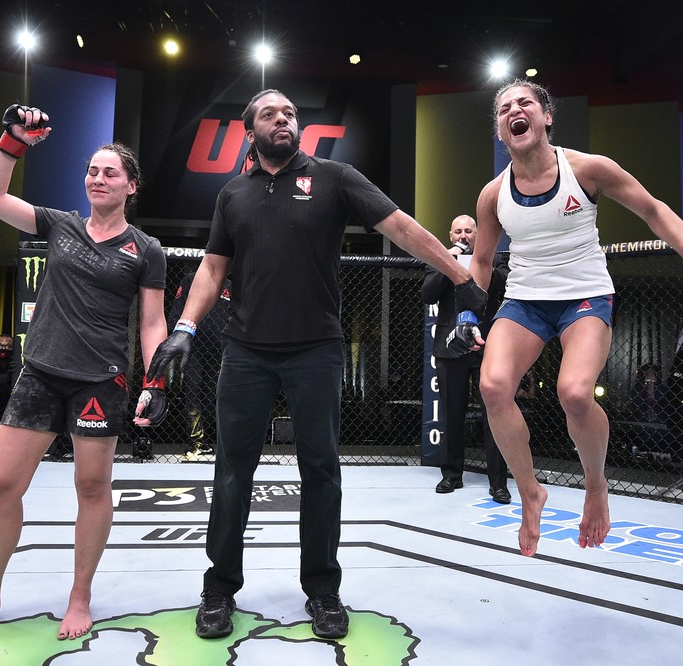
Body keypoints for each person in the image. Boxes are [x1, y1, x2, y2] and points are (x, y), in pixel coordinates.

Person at [146, 89, 487, 640]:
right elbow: (211, 270)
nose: (282, 119)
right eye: (269, 114)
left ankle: (323, 592)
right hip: (246, 350)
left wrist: (460, 275)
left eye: (290, 113)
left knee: (322, 472)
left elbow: (402, 227)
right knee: (233, 472)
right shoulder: (232, 194)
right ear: (249, 130)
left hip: (316, 349)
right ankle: (219, 587)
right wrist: (184, 327)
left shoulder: (335, 176)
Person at [448, 79, 683, 557]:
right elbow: (480, 261)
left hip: (585, 295)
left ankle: (596, 485)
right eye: (504, 109)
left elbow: (653, 209)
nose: (514, 111)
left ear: (546, 117)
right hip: (525, 300)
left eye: (524, 104)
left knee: (575, 393)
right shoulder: (492, 195)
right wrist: (466, 312)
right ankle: (529, 491)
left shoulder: (587, 169)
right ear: (501, 130)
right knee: (494, 387)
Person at [0, 105, 168, 641]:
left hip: (100, 380)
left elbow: (152, 323)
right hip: (40, 373)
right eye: (92, 170)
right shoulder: (59, 225)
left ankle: (79, 598)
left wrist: (156, 381)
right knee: (1, 485)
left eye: (110, 172)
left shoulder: (145, 249)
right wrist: (13, 142)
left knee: (91, 485)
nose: (97, 178)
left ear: (131, 186)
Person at [421, 214, 510, 502]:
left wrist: (476, 264)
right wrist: (450, 262)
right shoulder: (441, 257)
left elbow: (504, 287)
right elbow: (427, 294)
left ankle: (498, 482)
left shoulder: (494, 258)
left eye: (469, 231)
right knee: (452, 413)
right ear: (450, 235)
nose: (463, 236)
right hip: (450, 346)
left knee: (495, 414)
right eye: (458, 231)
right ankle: (451, 475)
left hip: (488, 344)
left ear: (478, 234)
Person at [167, 271, 231, 461]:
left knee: (214, 395)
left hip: (219, 349)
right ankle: (195, 442)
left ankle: (211, 441)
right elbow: (177, 308)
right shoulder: (190, 279)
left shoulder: (229, 286)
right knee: (193, 392)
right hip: (194, 347)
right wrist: (176, 334)